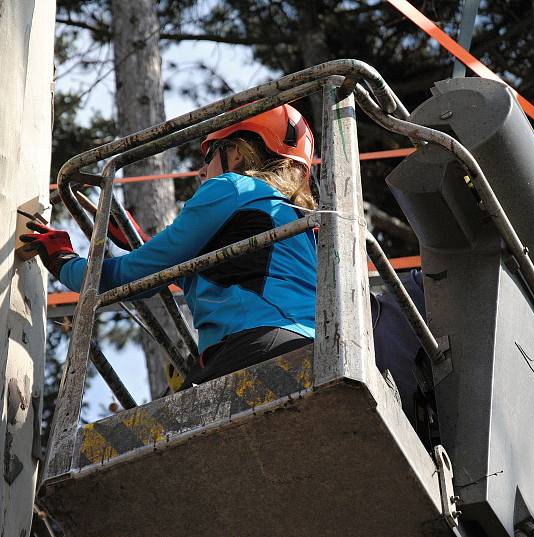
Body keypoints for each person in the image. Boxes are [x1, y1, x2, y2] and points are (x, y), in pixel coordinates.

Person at [21, 104, 317, 392]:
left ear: (236, 153)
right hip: (311, 348)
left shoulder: (231, 186)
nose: (201, 172)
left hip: (254, 345)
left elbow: (126, 278)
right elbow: (237, 271)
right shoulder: (298, 223)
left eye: (210, 155)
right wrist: (138, 240)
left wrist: (62, 260)